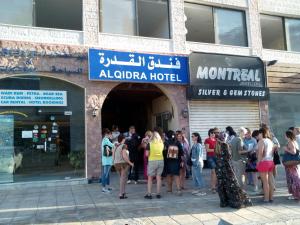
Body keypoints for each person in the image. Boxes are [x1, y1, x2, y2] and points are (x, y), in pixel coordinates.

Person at [215, 132, 252, 208]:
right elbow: (228, 156)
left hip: (219, 167)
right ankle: (234, 201)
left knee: (221, 184)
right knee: (231, 183)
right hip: (226, 167)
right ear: (224, 138)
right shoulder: (225, 145)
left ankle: (223, 202)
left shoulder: (217, 145)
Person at [256, 128, 274, 203]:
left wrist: (258, 162)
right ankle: (271, 197)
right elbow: (272, 151)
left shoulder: (262, 141)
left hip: (263, 162)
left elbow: (260, 153)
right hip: (270, 161)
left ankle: (266, 198)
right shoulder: (270, 141)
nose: (258, 135)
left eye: (259, 134)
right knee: (271, 181)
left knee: (265, 181)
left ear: (261, 133)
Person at [144, 132, 164, 199]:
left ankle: (149, 194)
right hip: (161, 161)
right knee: (159, 177)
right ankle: (158, 194)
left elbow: (147, 154)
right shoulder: (161, 144)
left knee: (150, 178)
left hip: (152, 161)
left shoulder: (150, 144)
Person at [113, 135, 134, 199]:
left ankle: (123, 193)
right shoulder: (124, 146)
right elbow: (124, 156)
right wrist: (130, 163)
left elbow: (113, 155)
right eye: (125, 139)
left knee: (122, 179)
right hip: (123, 164)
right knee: (123, 179)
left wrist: (113, 162)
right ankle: (121, 193)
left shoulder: (116, 146)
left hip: (116, 163)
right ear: (123, 139)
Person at [164, 130, 184, 195]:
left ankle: (170, 190)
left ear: (167, 135)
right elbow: (181, 152)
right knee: (176, 175)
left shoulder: (165, 142)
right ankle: (178, 190)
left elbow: (163, 152)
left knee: (169, 175)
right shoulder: (177, 142)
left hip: (167, 161)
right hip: (176, 161)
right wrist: (181, 161)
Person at [283, 130, 300, 201]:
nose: (284, 136)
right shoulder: (294, 142)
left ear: (288, 136)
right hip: (293, 163)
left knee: (293, 179)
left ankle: (295, 195)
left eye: (285, 135)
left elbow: (293, 152)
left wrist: (286, 149)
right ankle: (295, 194)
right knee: (295, 178)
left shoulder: (290, 142)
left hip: (291, 163)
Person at [244, 128, 258, 192]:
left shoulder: (253, 140)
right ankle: (244, 187)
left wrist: (253, 150)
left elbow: (256, 147)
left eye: (247, 133)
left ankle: (255, 186)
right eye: (245, 134)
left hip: (252, 157)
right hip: (245, 157)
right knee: (245, 173)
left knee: (254, 172)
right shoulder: (243, 140)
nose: (246, 135)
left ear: (250, 133)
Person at [204, 128, 217, 193]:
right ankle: (213, 187)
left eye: (214, 133)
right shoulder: (207, 140)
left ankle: (213, 186)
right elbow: (207, 149)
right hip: (210, 157)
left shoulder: (216, 140)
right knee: (214, 171)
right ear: (209, 133)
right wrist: (216, 150)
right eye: (211, 133)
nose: (213, 134)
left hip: (216, 157)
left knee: (214, 172)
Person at [101, 129, 114, 193]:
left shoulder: (105, 139)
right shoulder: (105, 139)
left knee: (107, 174)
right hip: (107, 160)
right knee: (105, 174)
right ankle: (103, 188)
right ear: (107, 134)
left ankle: (108, 187)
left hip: (107, 160)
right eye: (110, 134)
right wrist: (118, 143)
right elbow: (112, 145)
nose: (111, 135)